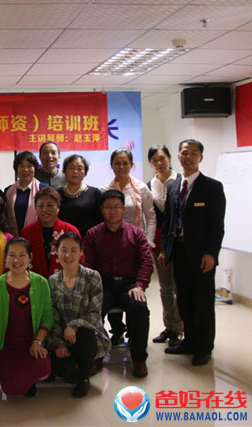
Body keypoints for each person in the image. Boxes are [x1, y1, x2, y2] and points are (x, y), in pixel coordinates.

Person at [160, 139, 226, 366]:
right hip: (179, 252)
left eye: (194, 153)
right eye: (184, 153)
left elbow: (217, 225)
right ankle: (189, 341)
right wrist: (165, 250)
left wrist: (211, 253)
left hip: (201, 256)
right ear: (178, 156)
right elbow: (168, 222)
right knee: (184, 300)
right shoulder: (173, 186)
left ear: (201, 157)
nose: (188, 157)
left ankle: (204, 347)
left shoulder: (212, 187)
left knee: (203, 302)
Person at [83, 190, 153, 378]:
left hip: (129, 285)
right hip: (102, 284)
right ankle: (96, 356)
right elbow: (87, 264)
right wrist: (91, 289)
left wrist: (140, 285)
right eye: (108, 207)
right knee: (92, 310)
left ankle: (139, 358)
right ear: (102, 210)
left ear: (123, 209)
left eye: (117, 207)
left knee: (139, 308)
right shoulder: (92, 234)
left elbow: (147, 261)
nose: (112, 211)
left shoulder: (136, 234)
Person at [0, 237, 53, 397]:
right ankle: (25, 379)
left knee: (44, 370)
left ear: (30, 258)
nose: (16, 260)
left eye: (22, 255)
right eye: (12, 255)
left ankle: (28, 379)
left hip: (32, 343)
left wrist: (38, 341)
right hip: (5, 346)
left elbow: (48, 317)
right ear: (5, 258)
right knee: (12, 390)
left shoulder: (41, 283)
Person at [101, 149, 155, 344]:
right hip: (112, 243)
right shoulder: (105, 190)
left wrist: (148, 241)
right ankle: (117, 330)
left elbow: (150, 215)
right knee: (110, 282)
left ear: (132, 165)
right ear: (112, 165)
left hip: (135, 243)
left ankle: (134, 334)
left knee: (133, 293)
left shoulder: (141, 188)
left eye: (125, 163)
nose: (121, 167)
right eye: (117, 163)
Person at [48, 232, 110, 398]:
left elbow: (95, 314)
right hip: (63, 336)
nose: (68, 255)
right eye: (63, 250)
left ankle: (83, 378)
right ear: (56, 252)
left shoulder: (93, 276)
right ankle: (76, 366)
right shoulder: (53, 280)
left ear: (81, 252)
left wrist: (73, 325)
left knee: (84, 335)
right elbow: (54, 316)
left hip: (87, 334)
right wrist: (60, 342)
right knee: (61, 368)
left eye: (73, 250)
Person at [147, 145, 182, 347]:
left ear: (169, 158)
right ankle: (169, 327)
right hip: (158, 239)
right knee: (165, 287)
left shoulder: (180, 181)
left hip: (177, 240)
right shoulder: (149, 185)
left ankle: (179, 328)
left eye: (162, 158)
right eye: (154, 160)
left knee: (178, 286)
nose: (159, 163)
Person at [20, 187, 81, 278]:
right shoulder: (27, 232)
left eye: (50, 205)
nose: (45, 209)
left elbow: (80, 259)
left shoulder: (70, 230)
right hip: (35, 282)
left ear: (58, 208)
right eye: (40, 206)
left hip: (66, 282)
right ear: (35, 208)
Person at [57, 155, 103, 238]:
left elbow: (101, 222)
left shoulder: (95, 193)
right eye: (71, 168)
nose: (75, 171)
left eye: (80, 168)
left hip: (89, 241)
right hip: (63, 242)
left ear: (85, 172)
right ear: (65, 171)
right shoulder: (57, 194)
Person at [5, 151, 49, 236]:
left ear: (35, 168)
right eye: (21, 166)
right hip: (14, 238)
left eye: (29, 166)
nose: (25, 170)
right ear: (16, 169)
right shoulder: (8, 191)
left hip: (39, 236)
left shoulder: (43, 189)